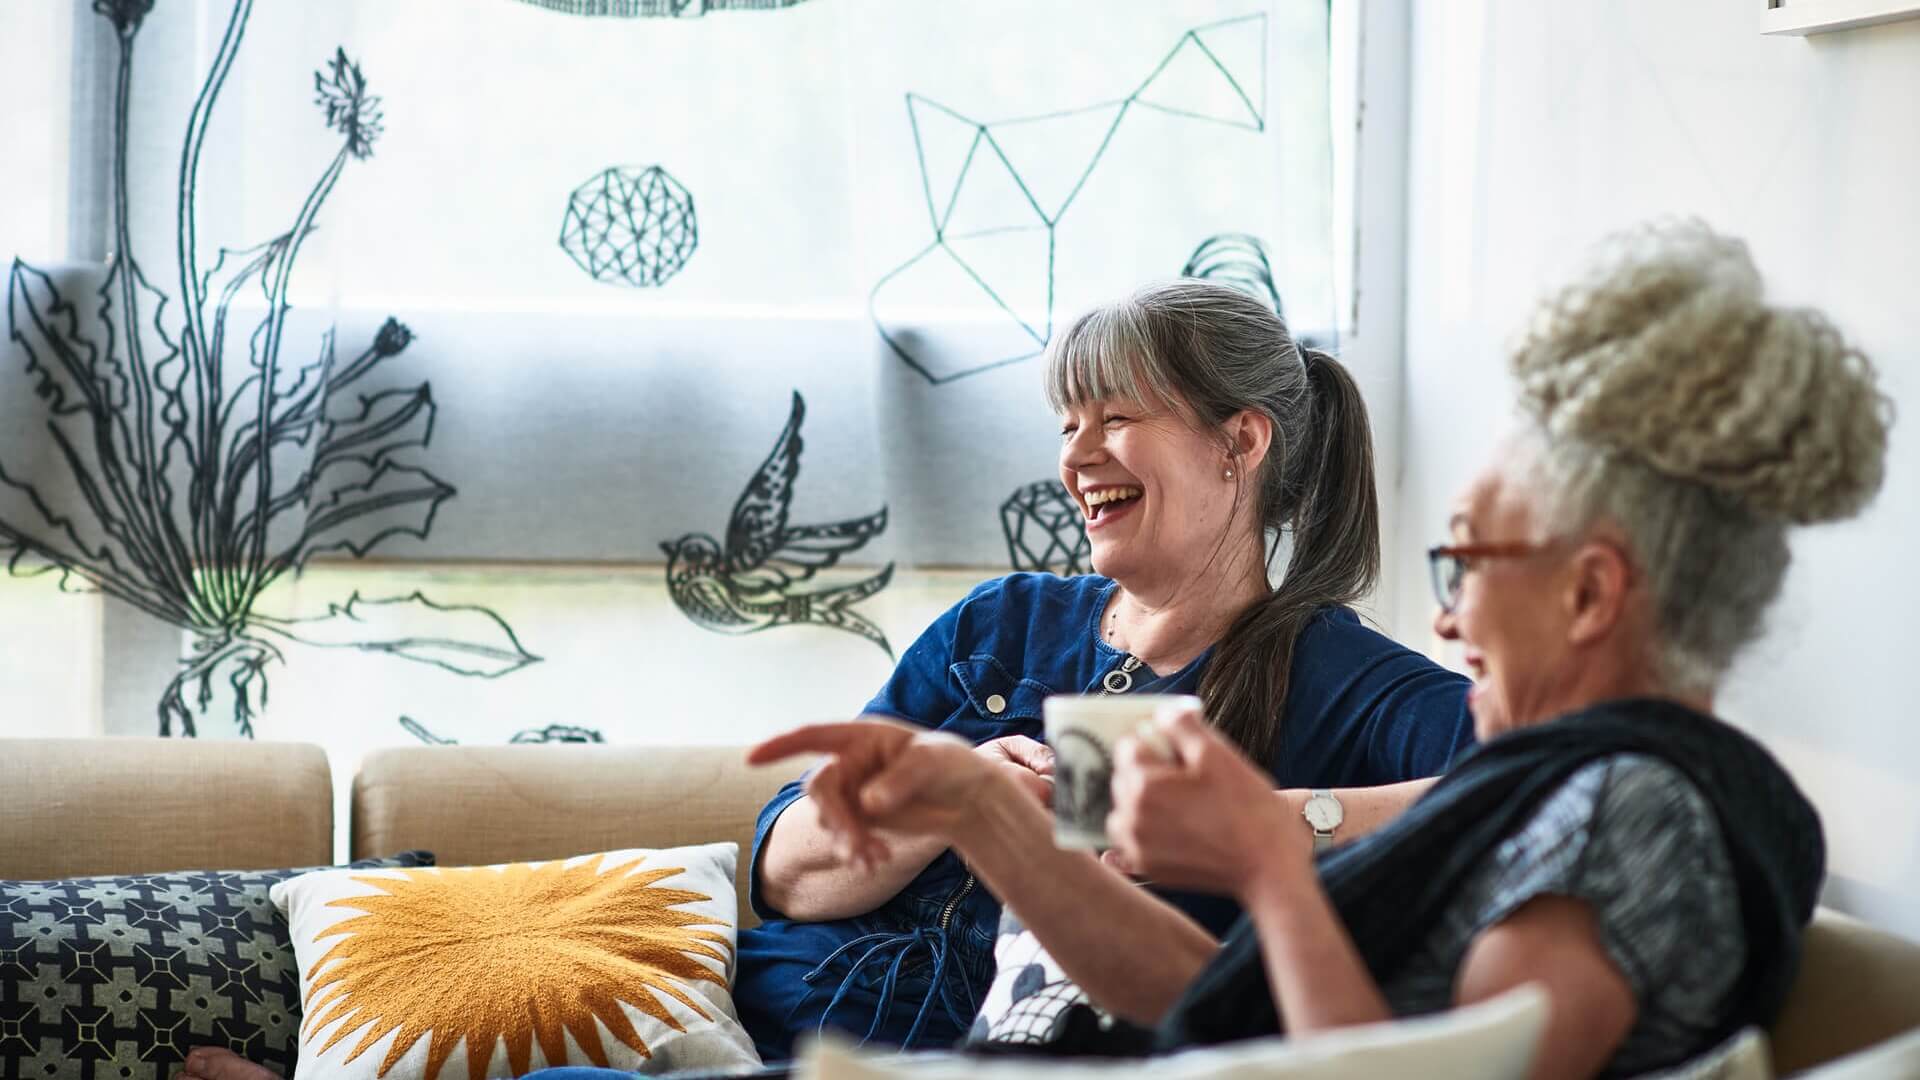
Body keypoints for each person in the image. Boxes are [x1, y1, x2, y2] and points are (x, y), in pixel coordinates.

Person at [176, 280, 1477, 1080]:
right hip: (767, 1028)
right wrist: (949, 794)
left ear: (1239, 441)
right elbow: (786, 866)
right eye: (1066, 421)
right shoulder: (1006, 628)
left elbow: (1520, 791)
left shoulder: (1350, 689)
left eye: (1114, 415)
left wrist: (1264, 822)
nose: (1077, 453)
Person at [756, 222, 1890, 1078]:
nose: (1445, 619)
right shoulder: (1560, 796)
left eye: (1469, 570)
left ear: (1590, 594)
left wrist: (1267, 854)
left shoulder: (1620, 817)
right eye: (1068, 421)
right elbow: (1234, 1008)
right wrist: (986, 813)